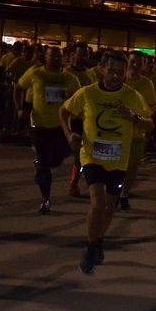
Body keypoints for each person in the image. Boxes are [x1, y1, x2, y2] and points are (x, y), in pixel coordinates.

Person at [60, 50, 152, 273]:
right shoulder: (88, 93)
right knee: (98, 204)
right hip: (92, 156)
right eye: (111, 71)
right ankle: (90, 247)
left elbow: (150, 124)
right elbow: (64, 111)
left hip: (118, 159)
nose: (116, 76)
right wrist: (69, 134)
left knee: (110, 208)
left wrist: (134, 118)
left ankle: (98, 241)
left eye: (120, 71)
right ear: (102, 70)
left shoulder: (131, 95)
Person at [17, 46, 80, 214]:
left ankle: (41, 165)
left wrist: (70, 98)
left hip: (61, 127)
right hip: (39, 125)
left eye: (59, 56)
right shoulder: (35, 73)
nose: (56, 59)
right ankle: (45, 198)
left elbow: (80, 100)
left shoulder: (69, 78)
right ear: (45, 57)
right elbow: (19, 87)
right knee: (44, 163)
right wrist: (19, 108)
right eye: (53, 56)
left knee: (57, 161)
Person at [118, 51, 156, 212]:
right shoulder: (118, 79)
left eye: (139, 63)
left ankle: (123, 195)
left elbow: (152, 108)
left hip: (137, 130)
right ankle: (112, 192)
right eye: (133, 62)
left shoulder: (146, 84)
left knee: (132, 166)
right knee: (115, 165)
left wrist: (138, 115)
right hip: (116, 131)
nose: (135, 66)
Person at [65, 44, 96, 197]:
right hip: (71, 118)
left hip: (86, 119)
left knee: (81, 153)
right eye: (81, 54)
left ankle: (74, 183)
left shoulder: (91, 74)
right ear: (73, 55)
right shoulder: (66, 73)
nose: (84, 57)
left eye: (86, 55)